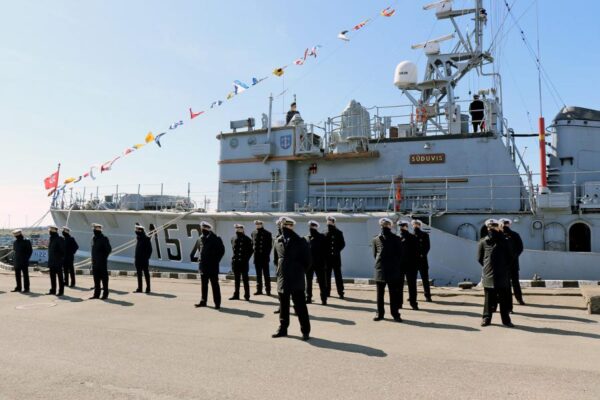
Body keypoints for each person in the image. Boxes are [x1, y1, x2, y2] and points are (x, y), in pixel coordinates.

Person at [272, 217, 311, 340]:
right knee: (283, 306)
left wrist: (299, 271)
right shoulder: (277, 241)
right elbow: (275, 259)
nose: (284, 228)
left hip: (296, 278)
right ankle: (283, 329)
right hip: (283, 278)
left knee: (300, 306)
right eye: (283, 226)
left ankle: (305, 330)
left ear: (291, 226)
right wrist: (280, 271)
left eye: (287, 226)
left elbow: (308, 260)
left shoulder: (300, 241)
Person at [477, 219, 514, 327]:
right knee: (489, 299)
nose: (491, 230)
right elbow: (480, 258)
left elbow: (511, 257)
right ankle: (487, 318)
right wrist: (488, 267)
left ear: (498, 228)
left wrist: (503, 268)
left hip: (501, 274)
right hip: (490, 275)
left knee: (503, 300)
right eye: (490, 228)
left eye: (494, 228)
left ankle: (505, 320)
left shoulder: (505, 241)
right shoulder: (483, 242)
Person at [372, 218, 402, 322]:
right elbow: (375, 254)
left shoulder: (396, 238)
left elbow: (400, 254)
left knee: (392, 294)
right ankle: (381, 314)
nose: (384, 226)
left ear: (390, 226)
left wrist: (393, 265)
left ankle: (393, 314)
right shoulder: (376, 239)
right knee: (381, 294)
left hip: (390, 270)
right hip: (382, 270)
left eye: (386, 224)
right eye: (383, 224)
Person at [193, 221, 225, 309]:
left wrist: (215, 261)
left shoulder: (216, 238)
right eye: (202, 229)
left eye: (203, 229)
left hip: (212, 266)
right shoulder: (201, 238)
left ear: (208, 229)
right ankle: (203, 301)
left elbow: (221, 251)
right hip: (203, 266)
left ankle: (217, 303)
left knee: (215, 285)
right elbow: (200, 250)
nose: (202, 230)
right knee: (204, 285)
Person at [500, 218, 525, 307]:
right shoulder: (511, 235)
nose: (504, 225)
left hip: (507, 263)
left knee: (511, 283)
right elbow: (520, 248)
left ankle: (516, 299)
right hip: (509, 263)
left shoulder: (513, 235)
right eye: (504, 224)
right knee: (511, 283)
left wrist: (513, 257)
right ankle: (517, 299)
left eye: (505, 224)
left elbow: (520, 248)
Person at [304, 220, 328, 305]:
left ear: (316, 227)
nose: (311, 228)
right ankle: (308, 297)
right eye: (310, 226)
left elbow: (326, 251)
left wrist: (325, 263)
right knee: (308, 281)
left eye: (313, 226)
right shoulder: (306, 238)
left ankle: (324, 299)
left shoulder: (322, 237)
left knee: (322, 282)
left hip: (319, 263)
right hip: (309, 263)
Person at [398, 220, 419, 310]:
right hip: (409, 265)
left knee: (401, 285)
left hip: (404, 265)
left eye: (401, 226)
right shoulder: (412, 237)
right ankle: (412, 304)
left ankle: (401, 303)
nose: (401, 228)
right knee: (411, 285)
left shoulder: (397, 238)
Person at [323, 216, 345, 299]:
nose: (329, 222)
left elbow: (342, 244)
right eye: (328, 221)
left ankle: (341, 292)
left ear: (334, 222)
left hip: (336, 258)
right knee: (327, 276)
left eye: (331, 221)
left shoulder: (338, 232)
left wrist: (336, 250)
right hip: (327, 258)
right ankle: (327, 292)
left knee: (338, 276)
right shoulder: (324, 232)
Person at [230, 224, 253, 301]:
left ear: (243, 229)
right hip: (236, 262)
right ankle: (236, 295)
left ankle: (247, 295)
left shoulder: (247, 239)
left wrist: (246, 259)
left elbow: (251, 251)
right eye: (236, 228)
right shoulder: (233, 238)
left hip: (243, 262)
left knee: (245, 280)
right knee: (236, 280)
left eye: (239, 228)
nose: (237, 229)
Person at [90, 223, 112, 300]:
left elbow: (109, 249)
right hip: (95, 262)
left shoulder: (104, 238)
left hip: (102, 262)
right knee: (96, 279)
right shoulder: (94, 238)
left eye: (95, 229)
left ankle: (105, 294)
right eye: (94, 229)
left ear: (99, 230)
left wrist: (103, 257)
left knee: (104, 279)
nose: (94, 230)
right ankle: (96, 294)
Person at [412, 220, 432, 302]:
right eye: (414, 224)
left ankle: (428, 296)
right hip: (413, 261)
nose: (415, 226)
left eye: (417, 224)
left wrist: (422, 255)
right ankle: (413, 296)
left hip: (422, 260)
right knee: (412, 280)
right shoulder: (411, 235)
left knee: (425, 279)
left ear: (420, 225)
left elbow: (427, 247)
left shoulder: (424, 235)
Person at [251, 220, 272, 296]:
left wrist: (266, 255)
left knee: (266, 274)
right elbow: (252, 244)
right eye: (256, 224)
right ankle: (259, 290)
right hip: (257, 257)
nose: (258, 225)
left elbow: (270, 246)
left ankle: (268, 290)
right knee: (258, 274)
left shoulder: (268, 233)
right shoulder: (253, 233)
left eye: (259, 224)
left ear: (262, 224)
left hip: (264, 257)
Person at [133, 224, 153, 293]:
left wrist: (146, 258)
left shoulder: (146, 239)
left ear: (140, 230)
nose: (136, 231)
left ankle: (148, 288)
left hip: (144, 260)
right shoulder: (138, 238)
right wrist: (135, 258)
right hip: (138, 260)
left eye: (137, 230)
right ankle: (140, 288)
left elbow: (150, 250)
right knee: (139, 274)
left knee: (146, 274)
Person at [47, 225, 65, 296]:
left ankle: (61, 291)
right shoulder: (51, 239)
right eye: (49, 230)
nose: (49, 231)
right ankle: (53, 290)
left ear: (54, 231)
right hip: (52, 261)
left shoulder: (59, 239)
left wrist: (60, 258)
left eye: (51, 230)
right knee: (52, 277)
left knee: (60, 277)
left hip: (58, 261)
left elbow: (63, 250)